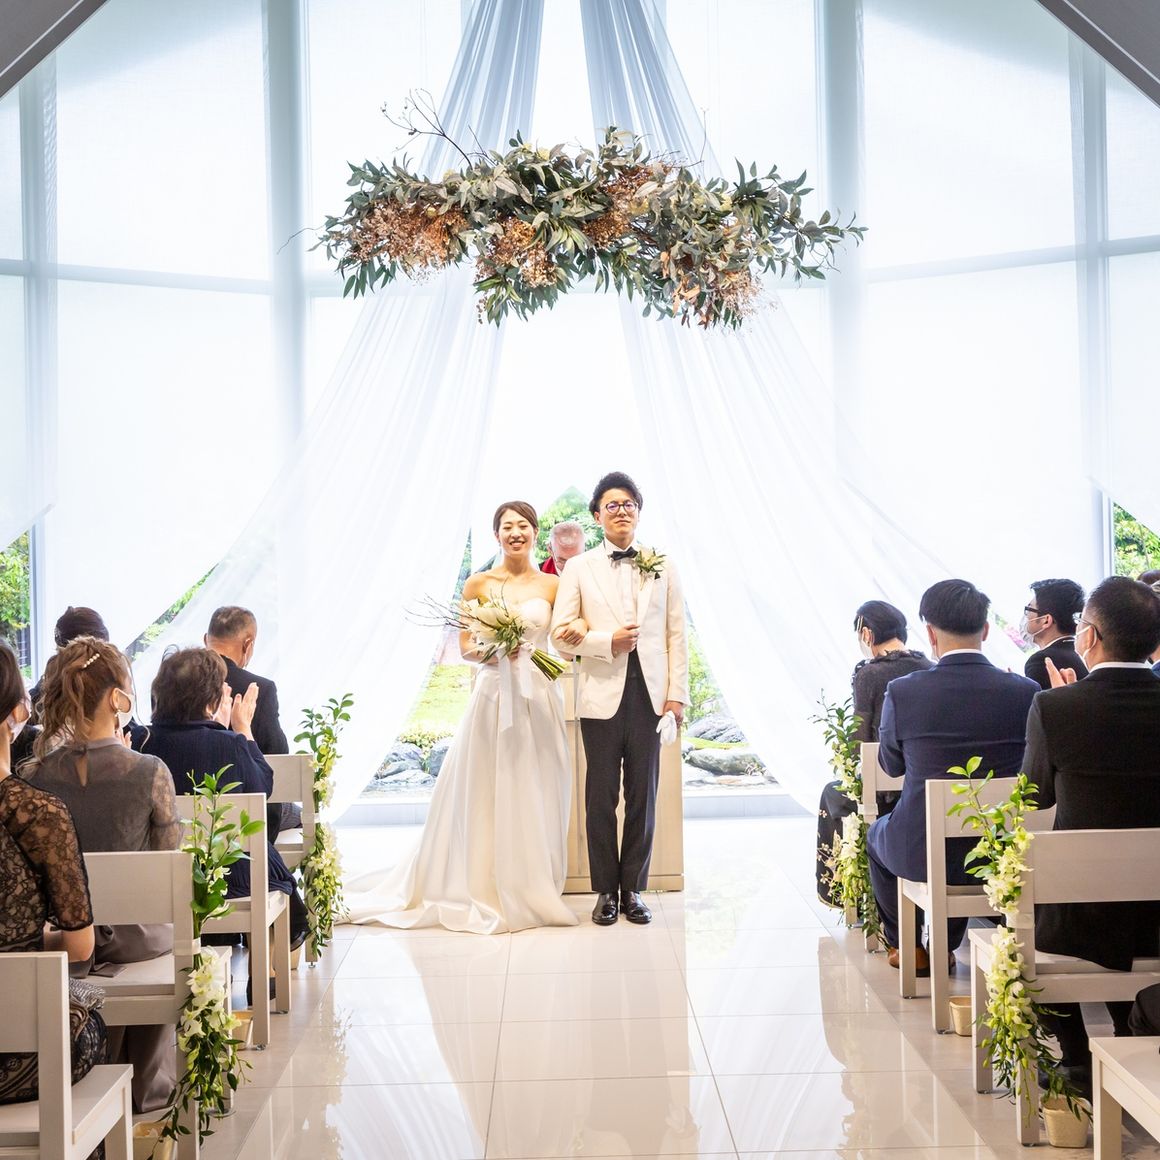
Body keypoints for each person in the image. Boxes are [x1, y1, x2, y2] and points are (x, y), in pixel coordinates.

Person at [345, 500, 579, 934]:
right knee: (489, 785)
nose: (516, 533)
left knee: (537, 783)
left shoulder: (553, 585)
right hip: (493, 694)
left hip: (538, 694)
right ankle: (484, 881)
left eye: (523, 526)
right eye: (507, 526)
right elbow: (467, 648)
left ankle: (533, 882)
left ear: (535, 532)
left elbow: (562, 642)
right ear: (496, 535)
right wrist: (499, 649)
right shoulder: (478, 583)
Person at [24, 636, 180, 1112]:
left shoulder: (32, 776)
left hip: (62, 942)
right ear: (117, 698)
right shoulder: (150, 771)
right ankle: (148, 1092)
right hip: (134, 939)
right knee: (165, 928)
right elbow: (168, 865)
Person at [1025, 575, 1160, 1095]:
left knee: (1028, 918)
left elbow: (1035, 797)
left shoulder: (1056, 708)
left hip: (1084, 920)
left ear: (1090, 635)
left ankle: (1078, 1056)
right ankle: (1129, 1039)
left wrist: (1065, 708)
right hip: (1157, 916)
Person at [865, 579, 1038, 974]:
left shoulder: (904, 691)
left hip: (921, 848)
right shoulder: (1026, 691)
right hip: (1001, 848)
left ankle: (908, 945)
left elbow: (892, 766)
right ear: (986, 630)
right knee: (960, 841)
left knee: (877, 836)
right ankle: (945, 944)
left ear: (929, 633)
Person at [550, 471, 688, 927]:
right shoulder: (578, 567)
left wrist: (676, 697)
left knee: (643, 796)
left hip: (651, 697)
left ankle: (634, 889)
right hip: (599, 695)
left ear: (639, 512)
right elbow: (559, 636)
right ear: (597, 515)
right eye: (612, 505)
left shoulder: (662, 565)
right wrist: (606, 641)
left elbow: (676, 635)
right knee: (600, 796)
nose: (621, 511)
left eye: (629, 504)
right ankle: (605, 891)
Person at [133, 648, 309, 953]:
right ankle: (273, 953)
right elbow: (262, 788)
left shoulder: (139, 741)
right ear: (211, 701)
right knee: (259, 851)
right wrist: (242, 730)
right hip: (225, 875)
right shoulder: (228, 744)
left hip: (158, 873)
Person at [0, 640, 107, 1106]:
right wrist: (27, 941)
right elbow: (80, 948)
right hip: (18, 1052)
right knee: (91, 1023)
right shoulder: (38, 812)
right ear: (16, 713)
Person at [815, 600, 932, 906]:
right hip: (923, 785)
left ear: (867, 634)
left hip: (884, 789)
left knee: (832, 793)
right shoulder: (928, 667)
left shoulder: (869, 674)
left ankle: (846, 894)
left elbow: (860, 740)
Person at [204, 605, 294, 838]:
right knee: (298, 814)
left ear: (206, 639)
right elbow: (277, 753)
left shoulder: (174, 684)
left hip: (190, 819)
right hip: (250, 818)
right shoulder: (260, 688)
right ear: (248, 645)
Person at [1020, 578, 1088, 690]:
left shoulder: (1042, 661)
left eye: (1029, 609)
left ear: (1046, 620)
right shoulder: (1083, 655)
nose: (1026, 616)